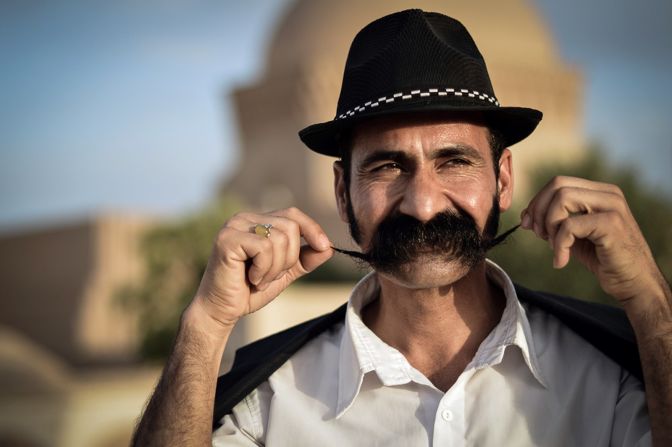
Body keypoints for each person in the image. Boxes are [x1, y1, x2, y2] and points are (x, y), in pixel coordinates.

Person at [132, 10, 671, 446]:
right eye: (387, 166)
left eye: (454, 161)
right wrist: (204, 327)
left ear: (504, 180)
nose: (423, 204)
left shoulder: (610, 381)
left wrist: (650, 303)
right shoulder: (270, 403)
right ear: (341, 193)